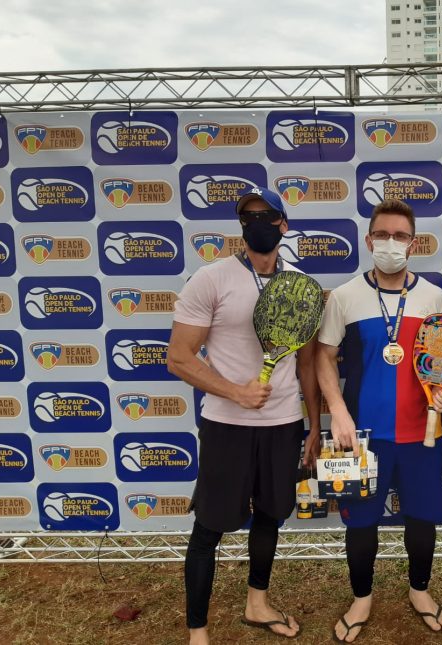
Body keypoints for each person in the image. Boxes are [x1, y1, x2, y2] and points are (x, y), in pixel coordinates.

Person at [167, 186, 322, 644]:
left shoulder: (301, 285)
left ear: (283, 225)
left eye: (265, 215)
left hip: (283, 425)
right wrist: (235, 392)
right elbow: (178, 357)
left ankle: (257, 603)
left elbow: (308, 364)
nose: (256, 223)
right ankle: (198, 632)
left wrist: (314, 425)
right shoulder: (211, 279)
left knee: (271, 516)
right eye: (247, 216)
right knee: (209, 528)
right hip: (227, 426)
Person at [316, 198, 442, 643]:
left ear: (413, 244)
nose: (390, 243)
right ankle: (362, 598)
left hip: (422, 433)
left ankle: (420, 591)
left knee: (422, 520)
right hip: (361, 436)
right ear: (368, 239)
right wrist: (338, 410)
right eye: (382, 235)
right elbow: (324, 357)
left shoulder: (434, 297)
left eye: (400, 236)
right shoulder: (344, 297)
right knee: (360, 524)